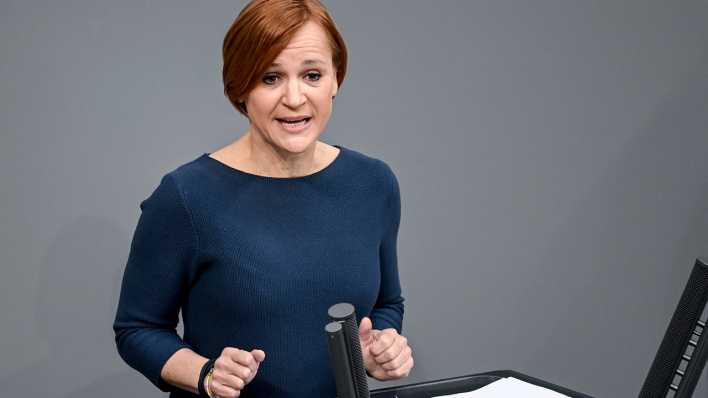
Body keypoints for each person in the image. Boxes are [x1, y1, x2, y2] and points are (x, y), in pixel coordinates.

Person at [113, 0, 413, 396]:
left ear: (335, 79)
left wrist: (381, 346)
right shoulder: (186, 196)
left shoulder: (373, 183)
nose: (294, 97)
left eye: (312, 75)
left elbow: (387, 303)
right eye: (271, 78)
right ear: (241, 87)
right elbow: (138, 329)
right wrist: (207, 374)